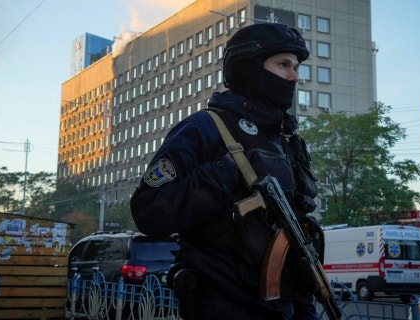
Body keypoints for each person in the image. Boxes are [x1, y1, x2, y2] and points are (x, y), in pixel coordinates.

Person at [130, 23, 323, 320]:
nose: (294, 76)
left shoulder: (285, 141)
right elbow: (149, 209)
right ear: (249, 69)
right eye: (283, 64)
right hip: (224, 302)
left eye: (296, 67)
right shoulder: (205, 128)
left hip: (287, 303)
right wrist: (225, 172)